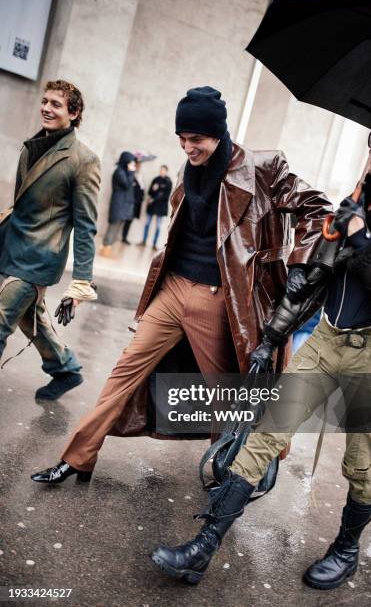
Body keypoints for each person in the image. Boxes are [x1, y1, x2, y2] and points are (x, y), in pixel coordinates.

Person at [151, 117, 371, 590]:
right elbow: (312, 281)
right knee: (264, 436)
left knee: (361, 463)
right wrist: (272, 336)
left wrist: (364, 241)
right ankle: (203, 547)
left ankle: (347, 549)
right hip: (327, 338)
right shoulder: (356, 201)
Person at [31, 85, 331, 484]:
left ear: (219, 134)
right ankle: (78, 457)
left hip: (220, 299)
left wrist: (297, 265)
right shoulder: (188, 172)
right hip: (172, 291)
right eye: (182, 139)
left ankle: (234, 476)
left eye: (197, 140)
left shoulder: (262, 168)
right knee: (124, 372)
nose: (188, 148)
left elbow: (319, 208)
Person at [0, 79, 100, 401]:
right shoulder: (33, 145)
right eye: (45, 101)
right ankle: (66, 369)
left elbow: (86, 225)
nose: (46, 108)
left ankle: (65, 369)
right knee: (30, 318)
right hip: (11, 243)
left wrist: (81, 282)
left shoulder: (84, 160)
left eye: (56, 104)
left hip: (38, 257)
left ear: (74, 112)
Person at [100, 152, 136, 257]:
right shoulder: (119, 172)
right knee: (113, 226)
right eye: (130, 161)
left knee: (117, 227)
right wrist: (131, 172)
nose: (132, 164)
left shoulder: (124, 172)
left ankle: (108, 248)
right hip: (118, 203)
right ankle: (105, 248)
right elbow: (126, 184)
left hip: (122, 204)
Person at [138, 165, 172, 250]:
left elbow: (166, 195)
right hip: (152, 206)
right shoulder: (155, 179)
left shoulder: (168, 182)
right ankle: (144, 241)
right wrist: (153, 189)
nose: (161, 172)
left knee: (158, 226)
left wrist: (154, 199)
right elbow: (150, 192)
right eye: (160, 170)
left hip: (161, 207)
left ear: (166, 171)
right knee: (147, 223)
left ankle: (154, 244)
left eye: (163, 170)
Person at [122, 157, 145, 244]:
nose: (139, 167)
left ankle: (125, 236)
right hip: (132, 201)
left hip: (137, 202)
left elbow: (141, 188)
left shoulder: (140, 176)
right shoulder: (131, 175)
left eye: (140, 165)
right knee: (127, 219)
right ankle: (124, 237)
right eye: (137, 165)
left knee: (130, 219)